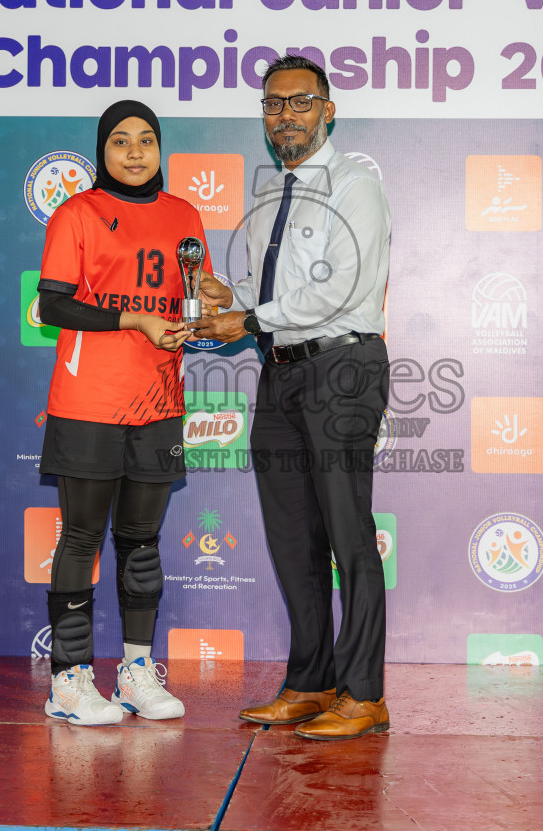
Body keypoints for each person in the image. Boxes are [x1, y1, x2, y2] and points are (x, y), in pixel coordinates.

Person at [188, 55, 393, 741]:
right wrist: (231, 299)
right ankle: (312, 681)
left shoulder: (356, 183)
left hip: (341, 370)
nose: (285, 116)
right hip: (279, 373)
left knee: (347, 535)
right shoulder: (267, 199)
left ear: (328, 110)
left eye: (300, 103)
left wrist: (246, 318)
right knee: (292, 539)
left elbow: (339, 291)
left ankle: (365, 694)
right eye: (273, 105)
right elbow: (267, 298)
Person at [36, 99, 207, 726]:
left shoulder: (184, 215)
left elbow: (194, 301)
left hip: (159, 401)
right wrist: (132, 318)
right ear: (102, 151)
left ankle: (137, 672)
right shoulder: (76, 213)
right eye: (120, 141)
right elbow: (52, 306)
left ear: (160, 148)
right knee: (82, 537)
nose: (135, 152)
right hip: (89, 401)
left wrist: (201, 314)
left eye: (146, 140)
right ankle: (69, 681)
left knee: (142, 543)